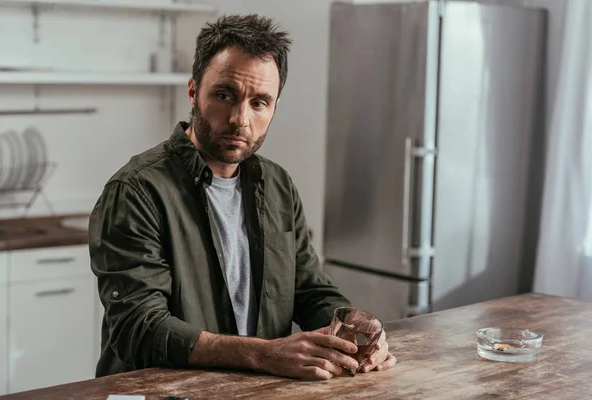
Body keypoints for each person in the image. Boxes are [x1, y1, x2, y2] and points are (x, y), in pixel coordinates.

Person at [89, 14, 396, 381]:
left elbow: (310, 289)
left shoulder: (278, 185)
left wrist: (353, 331)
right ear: (192, 91)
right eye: (224, 95)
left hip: (253, 390)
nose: (240, 119)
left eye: (259, 102)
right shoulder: (136, 191)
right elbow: (138, 328)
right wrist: (265, 354)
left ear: (274, 107)